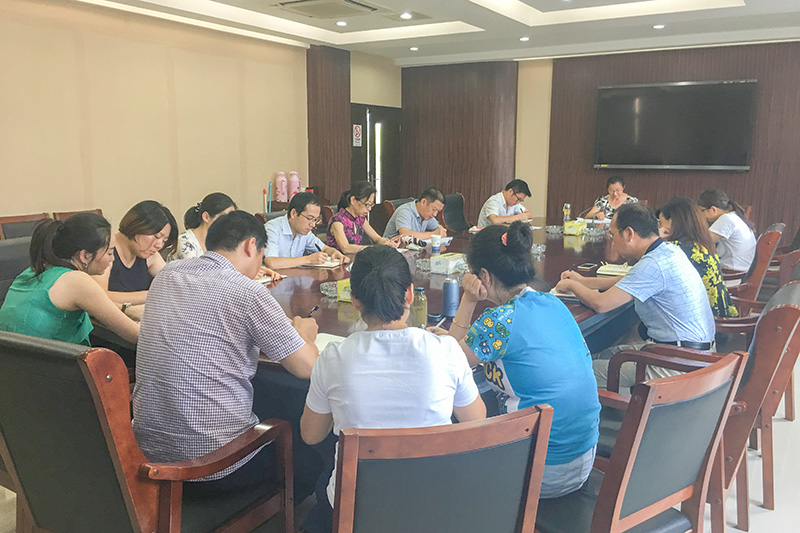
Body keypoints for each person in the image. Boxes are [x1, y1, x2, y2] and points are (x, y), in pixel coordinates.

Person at [132, 211, 319, 495]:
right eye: (261, 255)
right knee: (308, 444)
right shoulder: (247, 291)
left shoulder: (167, 275)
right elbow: (308, 366)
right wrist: (304, 333)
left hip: (147, 457)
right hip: (212, 468)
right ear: (251, 246)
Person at [299, 245, 485, 532]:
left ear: (355, 301)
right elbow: (476, 420)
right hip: (434, 502)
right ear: (409, 294)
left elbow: (311, 435)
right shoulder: (446, 349)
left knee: (325, 483)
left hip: (357, 506)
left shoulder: (333, 357)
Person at [434, 221, 600, 499]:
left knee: (442, 459)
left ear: (483, 276)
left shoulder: (498, 322)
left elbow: (450, 363)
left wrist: (468, 300)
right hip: (583, 459)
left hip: (541, 472)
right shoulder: (552, 302)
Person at [556, 204, 715, 390]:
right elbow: (630, 280)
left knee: (576, 372)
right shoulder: (668, 251)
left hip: (677, 363)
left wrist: (572, 286)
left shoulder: (653, 264)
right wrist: (584, 281)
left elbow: (601, 304)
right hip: (690, 352)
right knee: (599, 356)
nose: (612, 242)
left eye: (612, 235)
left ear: (629, 234)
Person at [0, 214, 139, 345]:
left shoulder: (34, 270)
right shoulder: (77, 281)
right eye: (109, 252)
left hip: (11, 360)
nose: (112, 259)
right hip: (48, 361)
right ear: (85, 255)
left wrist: (126, 309)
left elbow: (98, 304)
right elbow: (137, 336)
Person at [656, 198, 738, 318]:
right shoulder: (703, 244)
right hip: (719, 313)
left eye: (660, 223)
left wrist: (657, 239)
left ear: (672, 221)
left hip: (703, 319)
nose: (659, 227)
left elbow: (648, 267)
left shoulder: (675, 248)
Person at [171, 192, 281, 281]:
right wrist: (244, 274)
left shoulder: (223, 240)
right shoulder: (185, 243)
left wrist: (256, 269)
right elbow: (203, 277)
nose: (229, 222)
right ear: (206, 217)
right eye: (224, 217)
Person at [93, 200, 176, 306]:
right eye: (156, 236)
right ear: (137, 226)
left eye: (164, 241)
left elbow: (174, 284)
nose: (159, 245)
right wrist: (151, 295)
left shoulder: (151, 256)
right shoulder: (106, 250)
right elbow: (98, 296)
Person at [264, 192, 349, 269]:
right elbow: (271, 262)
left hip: (295, 277)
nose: (313, 225)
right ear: (293, 213)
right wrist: (308, 259)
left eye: (315, 220)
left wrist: (334, 252)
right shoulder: (272, 229)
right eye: (309, 218)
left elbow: (324, 248)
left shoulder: (305, 231)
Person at [325, 181, 400, 253]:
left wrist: (387, 242)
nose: (369, 209)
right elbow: (345, 248)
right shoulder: (337, 221)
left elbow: (377, 239)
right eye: (366, 204)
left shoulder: (360, 218)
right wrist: (373, 248)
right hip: (339, 260)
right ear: (353, 200)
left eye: (371, 205)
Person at [697, 189, 757, 271]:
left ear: (713, 209)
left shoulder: (726, 219)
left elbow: (701, 241)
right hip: (743, 269)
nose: (700, 215)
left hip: (733, 272)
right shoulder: (734, 216)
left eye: (701, 211)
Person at [382, 187, 448, 240]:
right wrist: (433, 234)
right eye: (434, 209)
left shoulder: (427, 215)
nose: (435, 214)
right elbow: (405, 235)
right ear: (423, 202)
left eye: (438, 211)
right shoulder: (405, 211)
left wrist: (440, 232)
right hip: (392, 250)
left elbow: (439, 229)